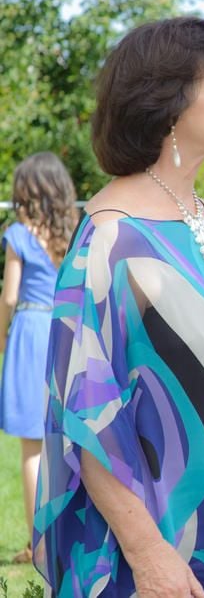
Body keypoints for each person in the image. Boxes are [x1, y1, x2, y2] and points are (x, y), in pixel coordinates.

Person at [32, 16, 204, 597]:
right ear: (167, 105)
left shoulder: (202, 219)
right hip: (156, 551)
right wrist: (150, 555)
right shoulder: (113, 239)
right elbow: (87, 418)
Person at [0, 152, 77, 564]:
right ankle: (65, 536)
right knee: (60, 442)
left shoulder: (19, 235)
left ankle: (37, 546)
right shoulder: (71, 233)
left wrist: (0, 337)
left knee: (31, 447)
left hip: (30, 332)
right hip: (64, 331)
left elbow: (10, 295)